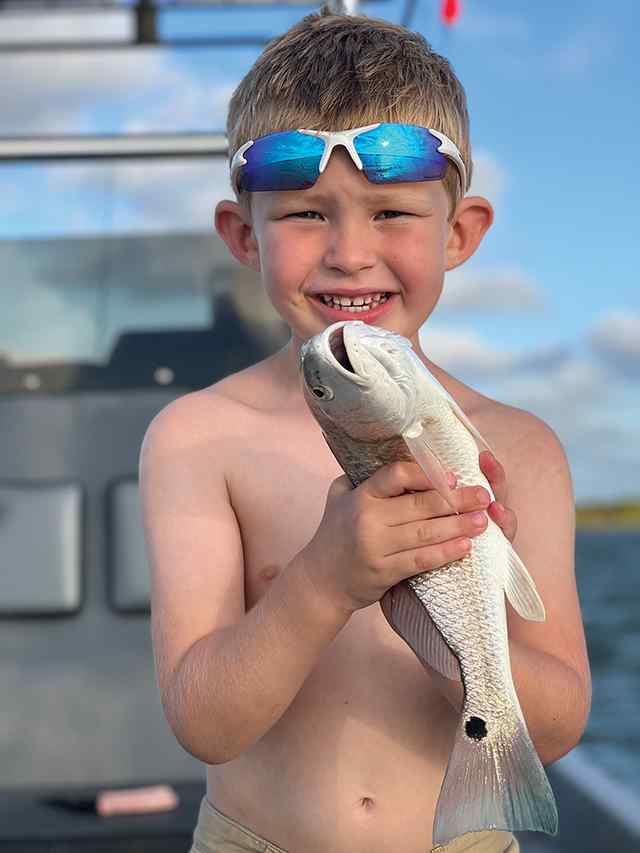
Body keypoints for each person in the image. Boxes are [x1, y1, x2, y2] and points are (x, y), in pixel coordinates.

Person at [139, 9, 591, 853]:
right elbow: (203, 723)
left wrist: (449, 619)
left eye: (391, 214)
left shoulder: (523, 448)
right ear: (244, 235)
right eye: (307, 214)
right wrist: (323, 579)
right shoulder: (196, 437)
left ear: (460, 233)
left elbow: (559, 724)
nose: (350, 252)